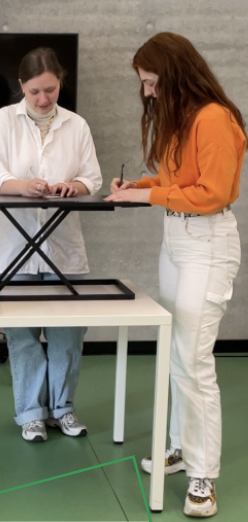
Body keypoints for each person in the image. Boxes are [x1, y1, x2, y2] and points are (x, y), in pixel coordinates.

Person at [106, 32, 246, 518]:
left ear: (176, 73)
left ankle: (204, 475)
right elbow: (173, 184)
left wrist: (146, 197)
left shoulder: (214, 118)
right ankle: (180, 448)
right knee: (175, 355)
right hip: (177, 240)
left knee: (194, 361)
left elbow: (210, 193)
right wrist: (137, 187)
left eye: (151, 82)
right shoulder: (180, 118)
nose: (147, 93)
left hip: (207, 243)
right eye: (144, 84)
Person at [0, 47, 102, 443]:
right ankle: (31, 412)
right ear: (21, 87)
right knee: (22, 332)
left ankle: (63, 408)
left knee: (67, 329)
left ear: (60, 83)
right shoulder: (2, 121)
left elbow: (92, 179)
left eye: (50, 90)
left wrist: (73, 186)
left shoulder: (77, 125)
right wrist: (23, 186)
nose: (44, 99)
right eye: (34, 92)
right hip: (13, 244)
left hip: (62, 244)